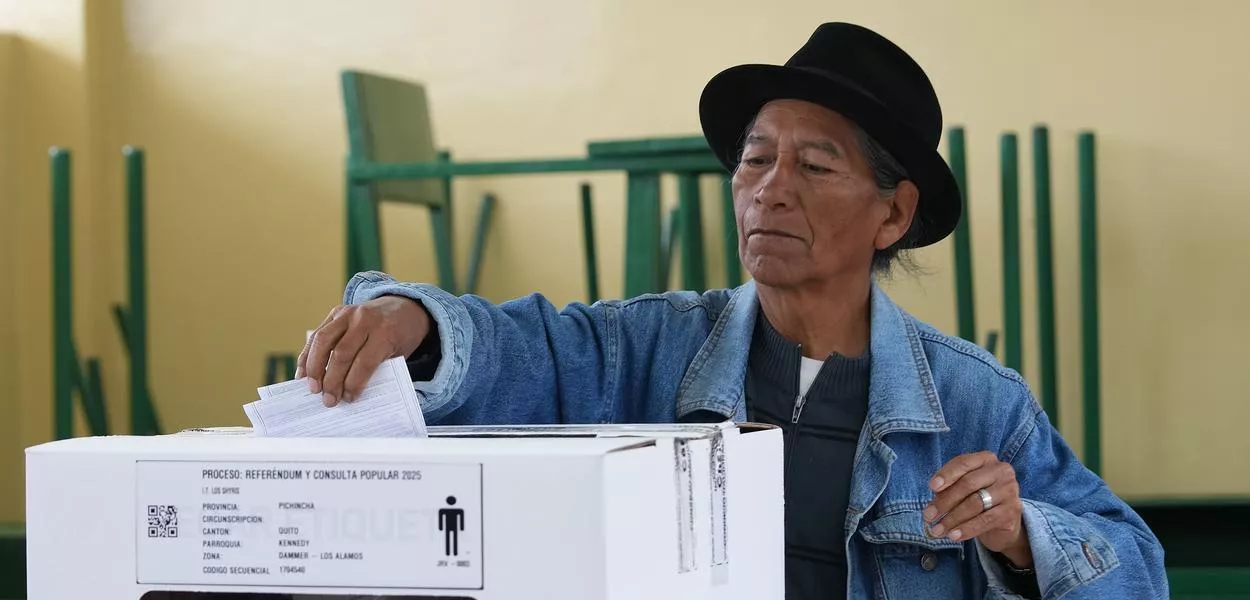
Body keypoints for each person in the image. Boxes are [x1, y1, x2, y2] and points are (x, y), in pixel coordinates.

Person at [297, 22, 1167, 600]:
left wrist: (1022, 535)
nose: (769, 192)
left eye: (815, 168)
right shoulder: (648, 346)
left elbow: (1139, 570)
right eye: (755, 161)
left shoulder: (977, 405)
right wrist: (414, 318)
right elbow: (524, 349)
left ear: (892, 215)